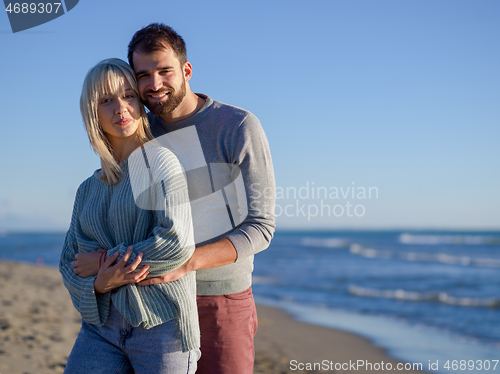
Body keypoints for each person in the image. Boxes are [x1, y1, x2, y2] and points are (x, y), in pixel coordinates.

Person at [72, 24, 277, 374]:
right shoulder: (137, 127)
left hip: (219, 297)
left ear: (186, 70)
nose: (154, 84)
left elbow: (261, 227)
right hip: (151, 299)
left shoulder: (237, 126)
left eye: (164, 71)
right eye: (143, 75)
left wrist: (186, 262)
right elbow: (118, 214)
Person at [59, 58, 200, 374]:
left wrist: (104, 261)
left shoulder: (161, 162)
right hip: (101, 328)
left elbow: (176, 243)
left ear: (140, 102)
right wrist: (99, 283)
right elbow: (68, 262)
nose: (120, 108)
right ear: (92, 112)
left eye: (128, 96)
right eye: (106, 100)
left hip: (163, 327)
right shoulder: (87, 189)